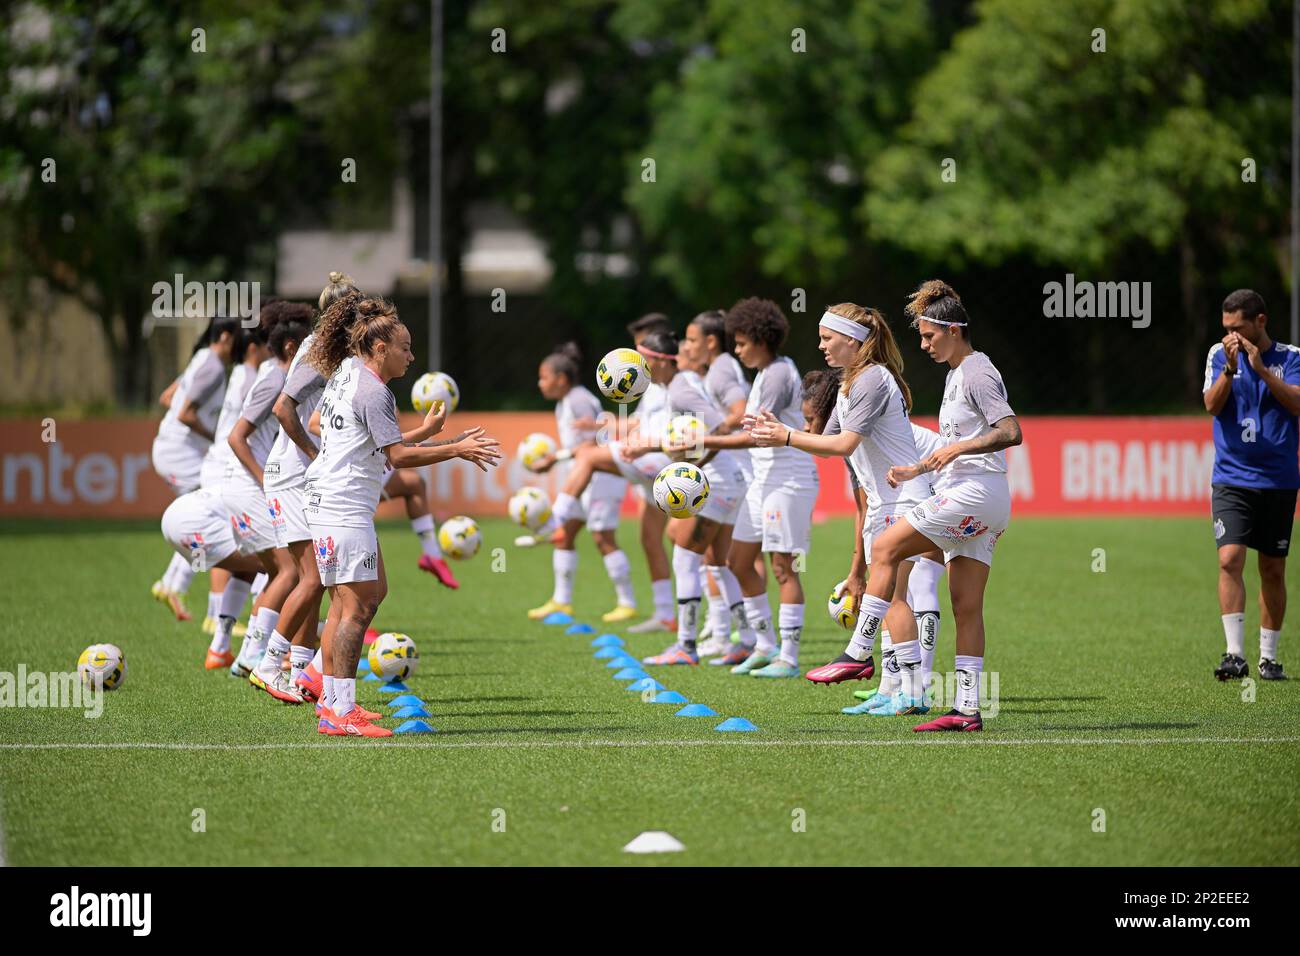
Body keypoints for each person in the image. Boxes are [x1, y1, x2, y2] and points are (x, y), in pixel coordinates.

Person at [794, 281, 1017, 731]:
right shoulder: (958, 374)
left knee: (886, 549)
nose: (924, 344)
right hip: (980, 496)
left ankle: (858, 654)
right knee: (966, 605)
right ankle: (967, 711)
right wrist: (918, 469)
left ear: (954, 330)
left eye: (931, 335)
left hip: (976, 492)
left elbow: (1010, 431)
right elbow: (947, 445)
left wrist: (957, 451)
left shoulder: (976, 371)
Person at [303, 295, 501, 737]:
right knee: (355, 609)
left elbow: (359, 439)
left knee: (358, 599)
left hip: (330, 502)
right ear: (379, 349)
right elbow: (397, 458)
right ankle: (341, 711)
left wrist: (424, 433)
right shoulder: (375, 392)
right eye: (405, 347)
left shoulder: (347, 373)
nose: (412, 356)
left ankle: (330, 701)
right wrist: (456, 448)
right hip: (343, 507)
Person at [750, 303, 934, 714]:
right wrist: (776, 431)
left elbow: (843, 445)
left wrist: (785, 437)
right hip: (884, 502)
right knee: (894, 602)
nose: (821, 346)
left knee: (897, 598)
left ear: (852, 340)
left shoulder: (872, 379)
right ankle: (898, 691)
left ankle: (869, 663)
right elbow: (824, 442)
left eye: (827, 338)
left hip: (904, 499)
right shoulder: (852, 380)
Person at [689, 298, 819, 678]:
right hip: (763, 481)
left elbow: (756, 437)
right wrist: (699, 456)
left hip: (788, 479)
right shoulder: (764, 372)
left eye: (743, 342)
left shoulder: (778, 375)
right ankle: (764, 646)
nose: (738, 349)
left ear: (762, 339)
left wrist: (705, 444)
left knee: (782, 567)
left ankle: (789, 658)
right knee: (738, 562)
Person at [629, 336, 747, 666]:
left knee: (684, 557)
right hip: (726, 481)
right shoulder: (676, 387)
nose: (639, 367)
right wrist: (651, 447)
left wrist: (691, 466)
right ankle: (746, 639)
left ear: (661, 360)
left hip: (716, 483)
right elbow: (686, 438)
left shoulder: (681, 388)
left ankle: (686, 645)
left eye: (643, 359)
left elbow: (715, 432)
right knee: (718, 563)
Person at [1202, 288, 1297, 681]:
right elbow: (1210, 405)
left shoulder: (1290, 358)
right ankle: (1234, 654)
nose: (1231, 336)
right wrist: (1230, 368)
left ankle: (1269, 658)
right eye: (1226, 328)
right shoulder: (1218, 355)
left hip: (1278, 479)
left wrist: (1259, 369)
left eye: (1238, 328)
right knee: (1230, 559)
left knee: (1272, 568)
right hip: (1232, 477)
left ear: (1260, 321)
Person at [219, 305, 315, 692]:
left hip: (266, 481)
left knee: (295, 573)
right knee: (295, 573)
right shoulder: (276, 377)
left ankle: (274, 656)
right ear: (291, 345)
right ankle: (257, 656)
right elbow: (236, 436)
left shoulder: (285, 373)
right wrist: (263, 480)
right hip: (255, 484)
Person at [522, 342, 638, 623]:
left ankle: (627, 601)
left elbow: (594, 441)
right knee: (565, 533)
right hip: (584, 476)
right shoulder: (567, 401)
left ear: (561, 379)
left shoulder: (578, 400)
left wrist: (554, 458)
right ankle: (561, 600)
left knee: (602, 537)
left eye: (544, 377)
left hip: (601, 477)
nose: (540, 384)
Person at [149, 317, 236, 620]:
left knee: (199, 517)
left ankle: (170, 584)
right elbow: (185, 412)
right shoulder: (212, 367)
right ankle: (181, 590)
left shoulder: (201, 359)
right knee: (205, 515)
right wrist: (218, 438)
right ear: (225, 337)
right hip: (178, 453)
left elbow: (167, 397)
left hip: (174, 449)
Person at [681, 309, 751, 658]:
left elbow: (740, 412)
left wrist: (710, 438)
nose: (687, 346)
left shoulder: (722, 366)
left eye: (692, 339)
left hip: (737, 475)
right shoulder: (719, 368)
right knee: (721, 559)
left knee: (698, 553)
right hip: (735, 474)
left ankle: (698, 641)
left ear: (710, 341)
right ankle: (735, 635)